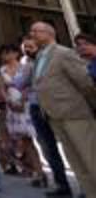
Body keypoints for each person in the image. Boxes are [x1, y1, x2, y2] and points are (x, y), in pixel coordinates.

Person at [30, 21, 96, 198]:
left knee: (90, 159)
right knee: (76, 162)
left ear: (49, 33)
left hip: (74, 113)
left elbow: (85, 82)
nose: (32, 34)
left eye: (36, 31)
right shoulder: (39, 56)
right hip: (54, 116)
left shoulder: (63, 53)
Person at [20, 35, 73, 196]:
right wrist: (25, 70)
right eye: (25, 48)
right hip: (37, 108)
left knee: (71, 145)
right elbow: (20, 83)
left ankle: (86, 184)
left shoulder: (51, 60)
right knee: (48, 148)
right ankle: (62, 185)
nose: (28, 51)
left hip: (56, 107)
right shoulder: (27, 65)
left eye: (31, 47)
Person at [1, 45, 43, 186]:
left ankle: (44, 169)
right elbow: (3, 88)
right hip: (12, 106)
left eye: (8, 52)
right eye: (3, 53)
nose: (6, 56)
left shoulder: (25, 67)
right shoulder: (2, 70)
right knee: (25, 141)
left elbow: (30, 85)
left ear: (15, 53)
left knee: (40, 139)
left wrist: (22, 100)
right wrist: (9, 101)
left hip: (26, 104)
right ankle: (39, 172)